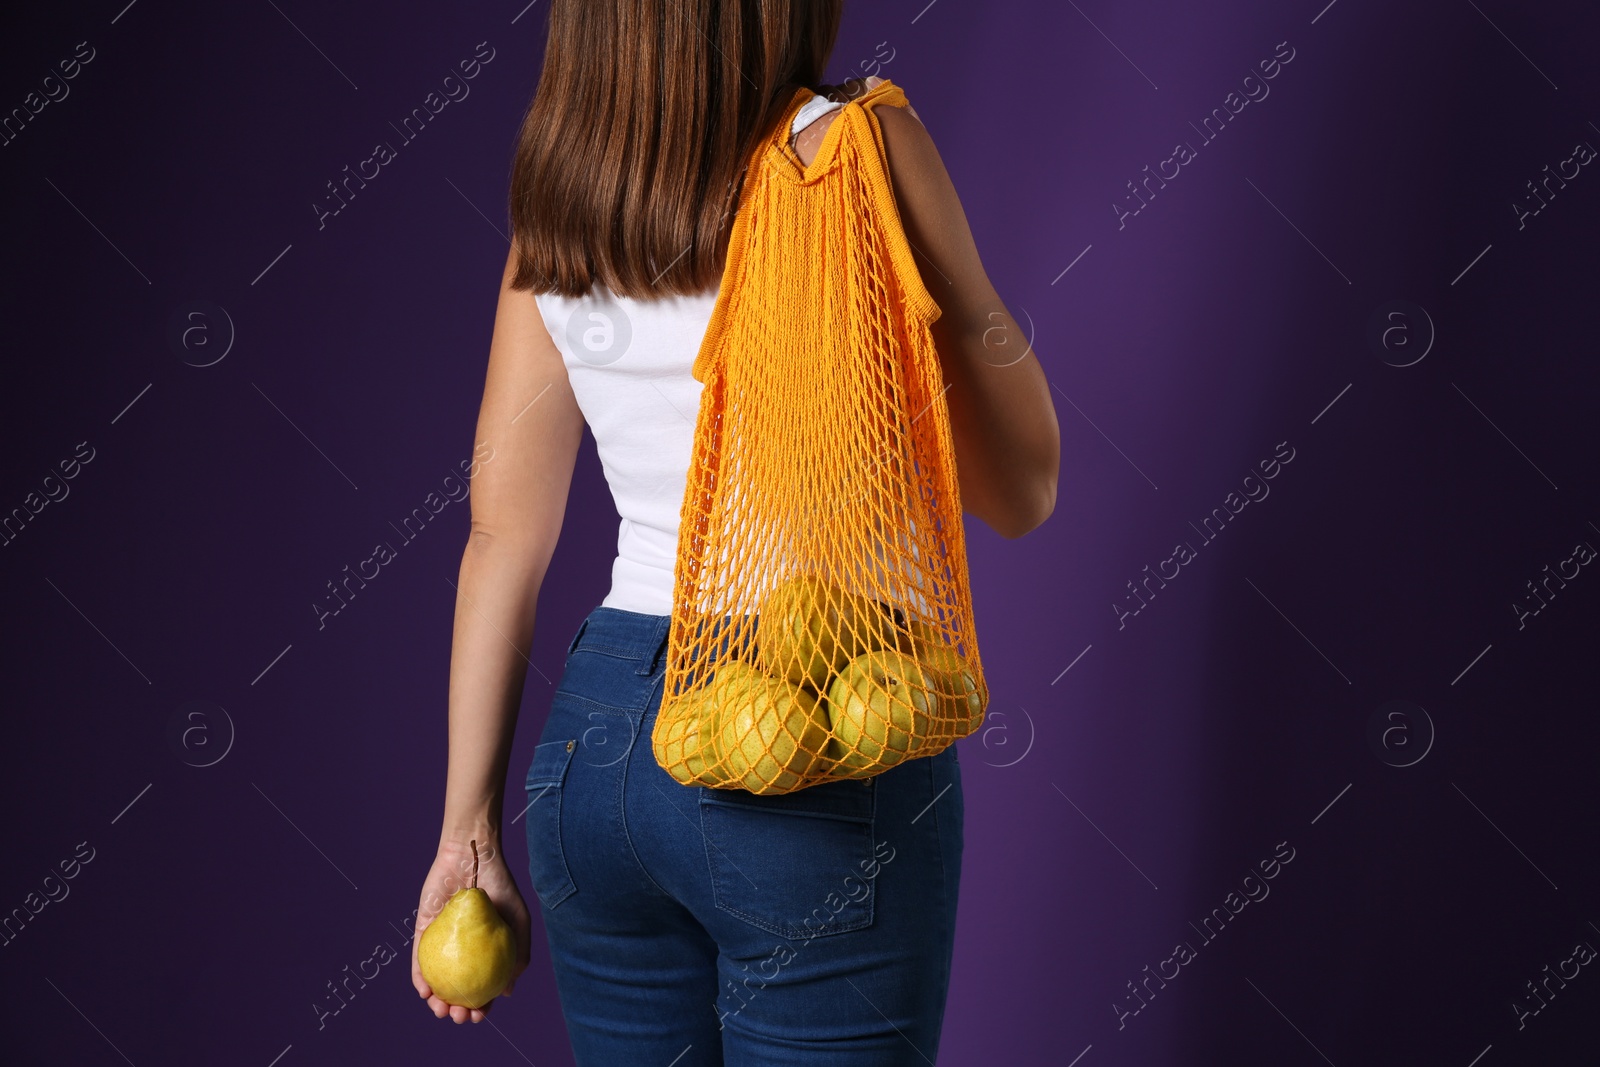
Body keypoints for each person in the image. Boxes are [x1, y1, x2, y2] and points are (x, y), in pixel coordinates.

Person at [411, 1, 1059, 1062]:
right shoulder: (854, 148)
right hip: (807, 724)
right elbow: (1021, 486)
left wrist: (465, 834)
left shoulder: (561, 203)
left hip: (600, 751)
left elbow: (501, 538)